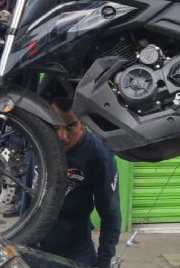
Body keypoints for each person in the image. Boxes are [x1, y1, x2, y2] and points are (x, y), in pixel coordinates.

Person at [39, 97, 121, 268]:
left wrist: (104, 261)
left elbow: (110, 214)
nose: (62, 136)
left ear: (83, 123)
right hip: (35, 246)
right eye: (56, 126)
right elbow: (28, 194)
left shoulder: (99, 156)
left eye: (71, 126)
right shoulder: (38, 141)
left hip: (76, 250)